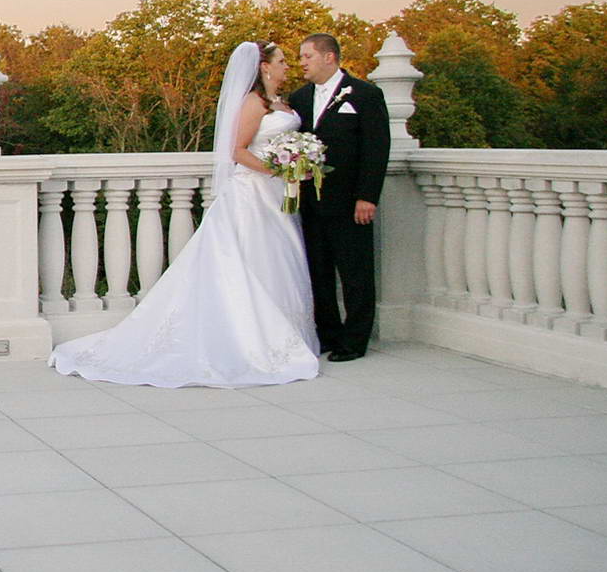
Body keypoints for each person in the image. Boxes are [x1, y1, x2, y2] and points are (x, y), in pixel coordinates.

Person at [49, 41, 319, 388]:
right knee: (250, 261)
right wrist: (280, 169)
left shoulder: (283, 102)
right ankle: (249, 340)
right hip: (252, 194)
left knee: (279, 259)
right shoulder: (254, 103)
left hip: (275, 196)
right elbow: (237, 150)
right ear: (264, 67)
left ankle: (285, 335)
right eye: (282, 61)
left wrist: (297, 163)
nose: (287, 67)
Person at [288, 33, 390, 361]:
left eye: (307, 56)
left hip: (350, 201)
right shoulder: (299, 98)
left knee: (355, 272)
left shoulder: (365, 95)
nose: (301, 63)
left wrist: (367, 197)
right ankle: (328, 334)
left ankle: (355, 340)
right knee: (318, 271)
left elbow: (376, 149)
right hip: (310, 201)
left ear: (329, 57)